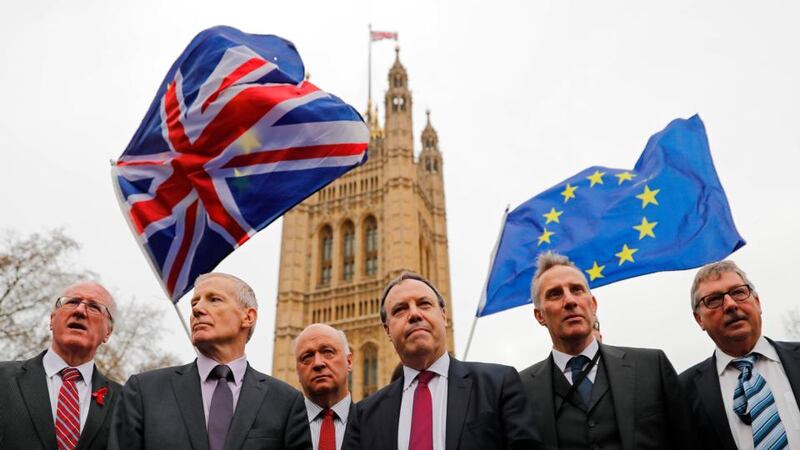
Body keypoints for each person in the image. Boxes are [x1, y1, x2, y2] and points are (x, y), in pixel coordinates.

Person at [111, 272, 311, 450]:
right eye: (194, 303)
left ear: (248, 317)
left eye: (214, 300)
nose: (197, 309)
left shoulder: (285, 402)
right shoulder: (145, 391)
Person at [344, 271, 540, 450]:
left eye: (424, 304)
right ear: (387, 330)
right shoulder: (363, 415)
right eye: (400, 310)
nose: (414, 314)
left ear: (444, 315)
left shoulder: (498, 384)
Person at [520, 252, 694, 450]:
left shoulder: (652, 366)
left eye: (577, 290)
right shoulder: (520, 390)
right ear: (539, 315)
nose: (569, 301)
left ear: (593, 305)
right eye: (555, 294)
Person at [679, 260, 800, 450]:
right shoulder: (682, 392)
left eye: (738, 292)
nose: (730, 304)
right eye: (714, 300)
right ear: (699, 319)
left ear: (757, 302)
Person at [0, 281, 121, 450]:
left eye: (94, 307)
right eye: (71, 302)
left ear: (108, 332)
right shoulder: (3, 378)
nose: (79, 311)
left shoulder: (124, 401)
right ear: (52, 320)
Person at [294, 323, 354, 450]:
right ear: (297, 372)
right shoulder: (278, 428)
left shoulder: (378, 422)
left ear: (349, 362)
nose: (318, 363)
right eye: (307, 357)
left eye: (328, 352)